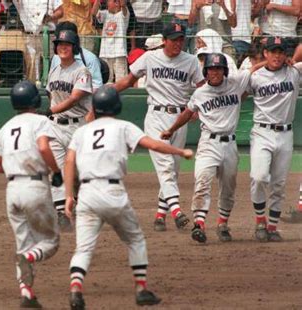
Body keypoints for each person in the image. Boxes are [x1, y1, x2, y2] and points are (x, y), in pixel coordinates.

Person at [64, 86, 194, 309]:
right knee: (135, 240)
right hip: (113, 193)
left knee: (83, 249)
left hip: (87, 195)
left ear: (94, 108)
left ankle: (76, 289)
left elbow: (68, 162)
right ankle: (141, 288)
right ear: (117, 106)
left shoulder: (81, 132)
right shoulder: (123, 127)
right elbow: (153, 144)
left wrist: (68, 196)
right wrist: (180, 152)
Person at [161, 53, 264, 243]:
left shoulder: (235, 83)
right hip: (208, 143)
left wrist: (276, 60)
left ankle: (222, 224)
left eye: (218, 69)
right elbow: (188, 113)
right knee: (202, 181)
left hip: (230, 144)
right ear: (205, 72)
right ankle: (199, 224)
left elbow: (253, 69)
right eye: (211, 69)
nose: (214, 72)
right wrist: (171, 129)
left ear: (224, 71)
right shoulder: (200, 93)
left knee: (228, 187)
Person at [114, 22, 205, 232]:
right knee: (164, 166)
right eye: (173, 39)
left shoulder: (191, 61)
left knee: (172, 168)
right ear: (164, 40)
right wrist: (107, 93)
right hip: (156, 116)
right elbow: (128, 81)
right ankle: (176, 211)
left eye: (181, 39)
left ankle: (160, 214)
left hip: (179, 119)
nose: (178, 43)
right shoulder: (150, 57)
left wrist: (198, 109)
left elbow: (203, 88)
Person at [0, 81, 62, 309]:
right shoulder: (41, 121)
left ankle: (26, 293)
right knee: (50, 242)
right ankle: (30, 259)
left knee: (23, 244)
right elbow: (43, 147)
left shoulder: (5, 127)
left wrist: (16, 167)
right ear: (35, 101)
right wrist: (56, 171)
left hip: (12, 191)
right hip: (35, 187)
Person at [248, 36, 301, 242]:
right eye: (273, 51)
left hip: (286, 134)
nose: (277, 55)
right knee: (259, 176)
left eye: (281, 52)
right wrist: (261, 64)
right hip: (262, 132)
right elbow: (236, 89)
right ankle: (259, 221)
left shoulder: (295, 72)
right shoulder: (255, 76)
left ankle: (272, 226)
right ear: (265, 53)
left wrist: (293, 59)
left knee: (279, 184)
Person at [43, 29, 93, 230]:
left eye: (67, 44)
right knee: (55, 170)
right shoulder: (54, 70)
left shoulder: (82, 71)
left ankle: (78, 200)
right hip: (55, 126)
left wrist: (49, 110)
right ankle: (61, 212)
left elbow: (74, 98)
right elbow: (50, 95)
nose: (62, 47)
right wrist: (51, 113)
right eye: (59, 44)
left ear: (74, 48)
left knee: (78, 173)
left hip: (76, 126)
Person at [13, 0, 64, 83]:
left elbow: (60, 12)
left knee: (52, 63)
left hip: (48, 34)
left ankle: (53, 84)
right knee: (33, 67)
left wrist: (50, 17)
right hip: (30, 36)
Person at [50, 21, 103, 91]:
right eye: (60, 43)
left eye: (67, 43)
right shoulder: (56, 58)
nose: (63, 47)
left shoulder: (90, 58)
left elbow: (97, 86)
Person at [92, 0, 130, 83]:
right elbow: (94, 13)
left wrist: (121, 3)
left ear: (116, 3)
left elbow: (123, 5)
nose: (106, 3)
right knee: (106, 80)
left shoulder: (123, 15)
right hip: (105, 53)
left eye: (109, 1)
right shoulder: (105, 13)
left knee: (121, 80)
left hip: (119, 53)